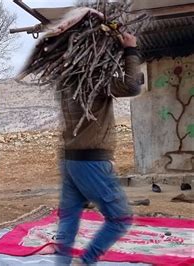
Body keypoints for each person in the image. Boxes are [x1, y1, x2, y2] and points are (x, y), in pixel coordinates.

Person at [55, 32, 142, 265]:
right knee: (120, 218)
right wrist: (130, 50)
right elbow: (132, 86)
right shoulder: (93, 79)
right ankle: (86, 261)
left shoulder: (66, 79)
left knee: (69, 219)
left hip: (70, 159)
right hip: (90, 161)